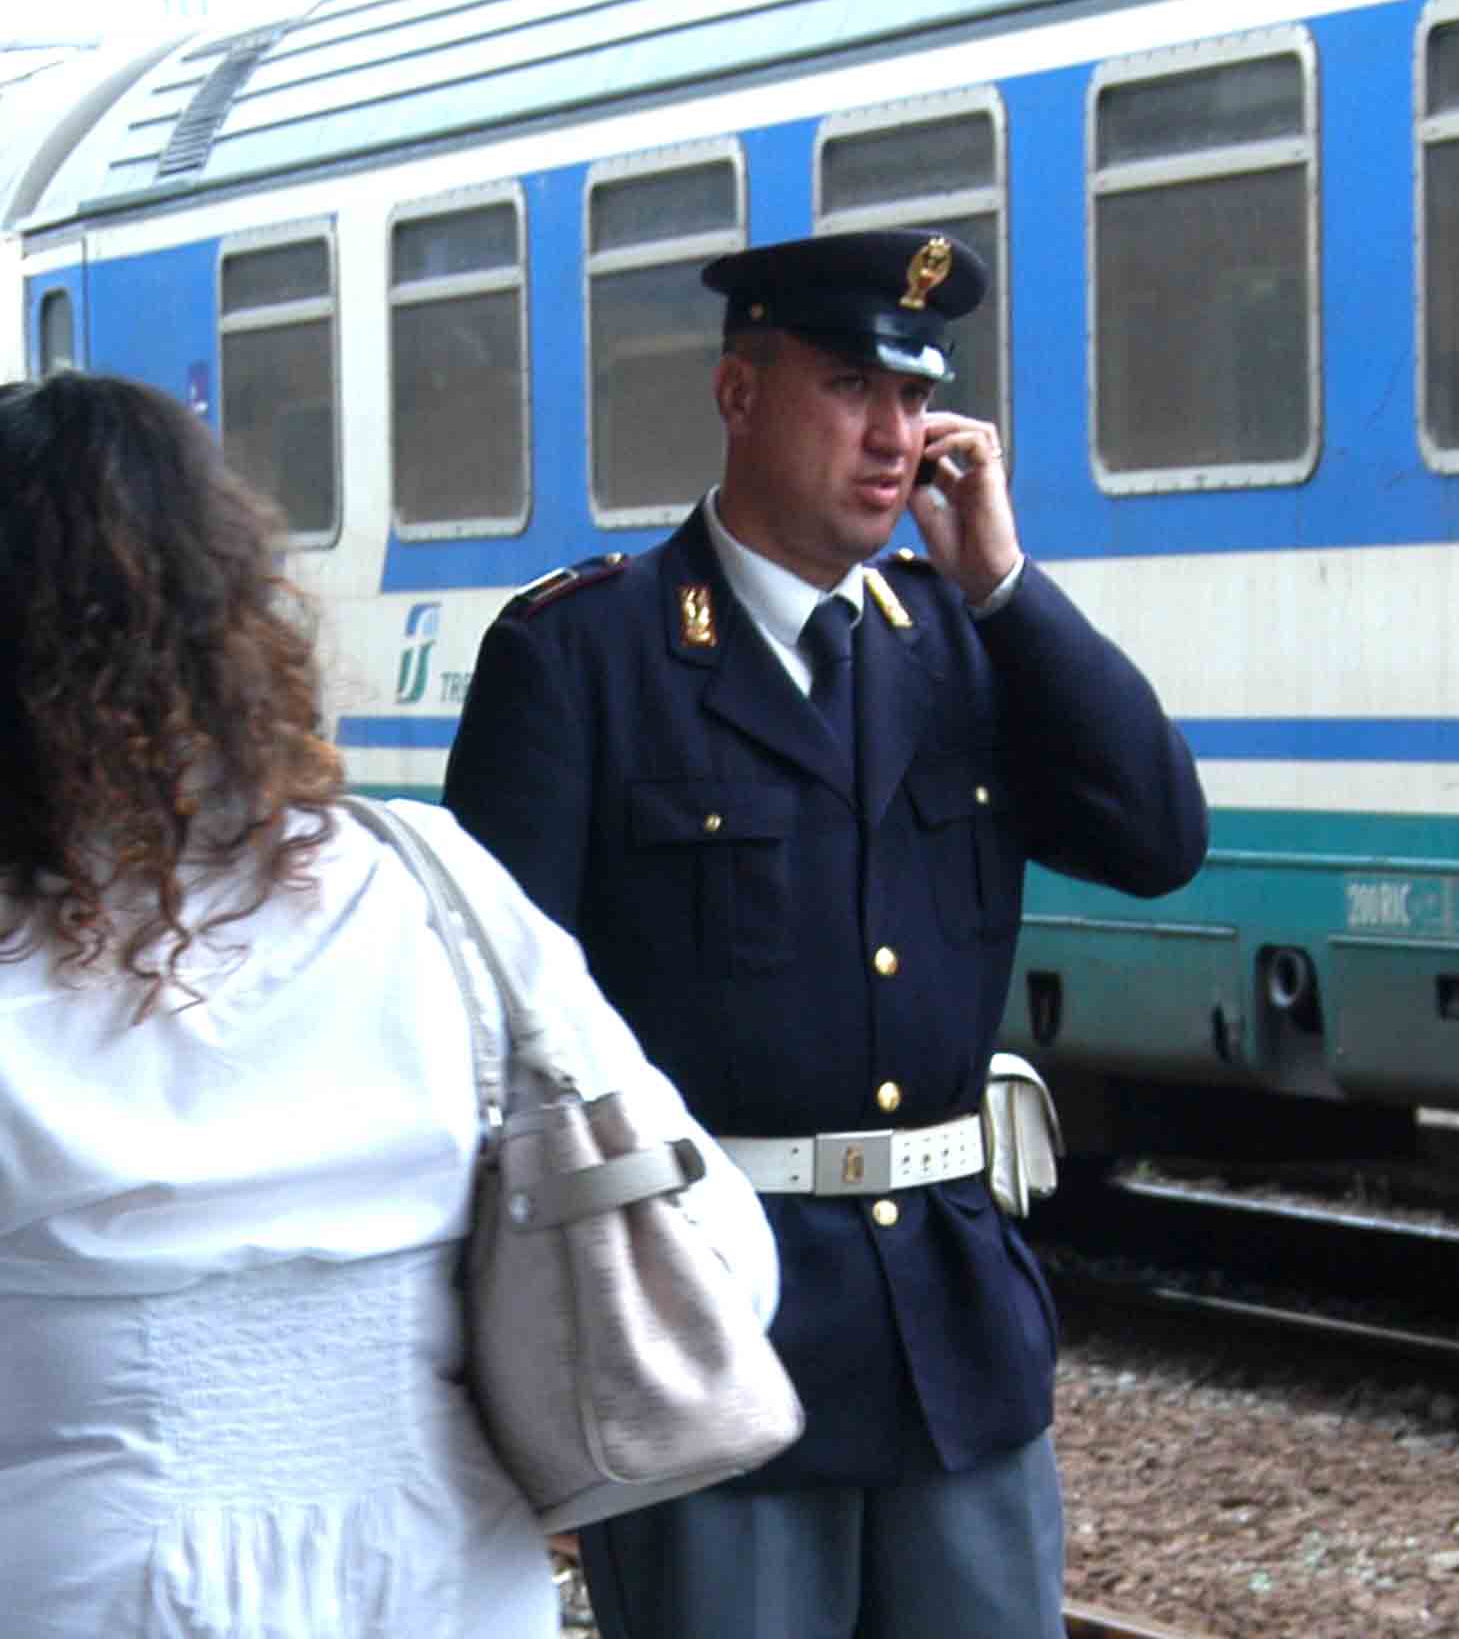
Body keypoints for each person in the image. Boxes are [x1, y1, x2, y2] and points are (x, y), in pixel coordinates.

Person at [442, 227, 1210, 1638]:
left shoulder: (962, 639)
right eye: (852, 387)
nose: (895, 437)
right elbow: (490, 1047)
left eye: (918, 401)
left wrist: (1006, 585)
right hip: (707, 1333)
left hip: (951, 1339)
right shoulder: (584, 660)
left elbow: (1158, 838)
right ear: (741, 396)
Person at [0, 371, 778, 1636]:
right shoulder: (429, 887)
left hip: (84, 1583)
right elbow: (724, 1257)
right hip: (440, 1574)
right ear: (235, 615)